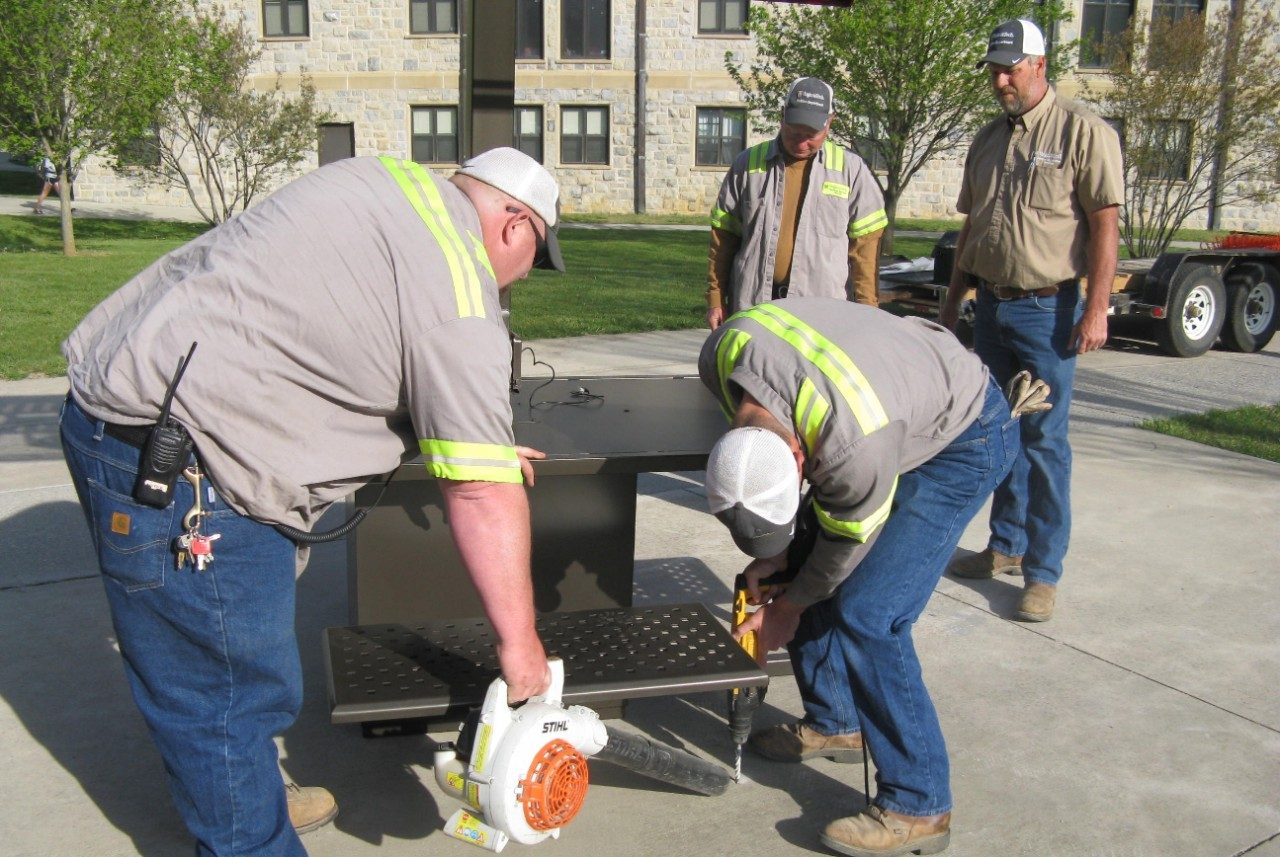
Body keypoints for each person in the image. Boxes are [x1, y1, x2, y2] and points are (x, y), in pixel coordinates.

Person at [59, 147, 565, 856]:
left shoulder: (382, 179)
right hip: (188, 470)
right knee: (225, 699)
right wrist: (523, 648)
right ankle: (245, 827)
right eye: (535, 259)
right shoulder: (460, 288)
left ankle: (242, 797)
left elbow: (331, 321)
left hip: (118, 402)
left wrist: (466, 433)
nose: (518, 281)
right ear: (516, 223)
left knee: (219, 684)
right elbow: (481, 494)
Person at [700, 297, 1024, 856]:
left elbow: (841, 550)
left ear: (801, 461)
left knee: (869, 614)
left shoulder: (854, 449)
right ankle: (836, 722)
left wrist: (787, 609)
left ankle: (919, 806)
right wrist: (781, 563)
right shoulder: (722, 355)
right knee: (800, 572)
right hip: (892, 398)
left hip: (965, 436)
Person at [940, 18, 1123, 622]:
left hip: (1050, 312)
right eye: (993, 68)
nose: (999, 79)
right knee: (998, 430)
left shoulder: (1082, 132)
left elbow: (1104, 223)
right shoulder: (989, 138)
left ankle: (1043, 573)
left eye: (1009, 68)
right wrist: (953, 297)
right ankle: (1005, 546)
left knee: (1044, 443)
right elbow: (972, 224)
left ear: (1039, 65)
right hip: (991, 307)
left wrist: (1096, 307)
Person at [705, 77, 887, 330]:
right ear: (782, 117)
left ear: (829, 123)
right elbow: (723, 239)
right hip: (755, 308)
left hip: (821, 316)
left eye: (811, 135)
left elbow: (865, 248)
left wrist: (868, 309)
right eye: (794, 132)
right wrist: (716, 298)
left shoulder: (851, 170)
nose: (801, 143)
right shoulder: (747, 165)